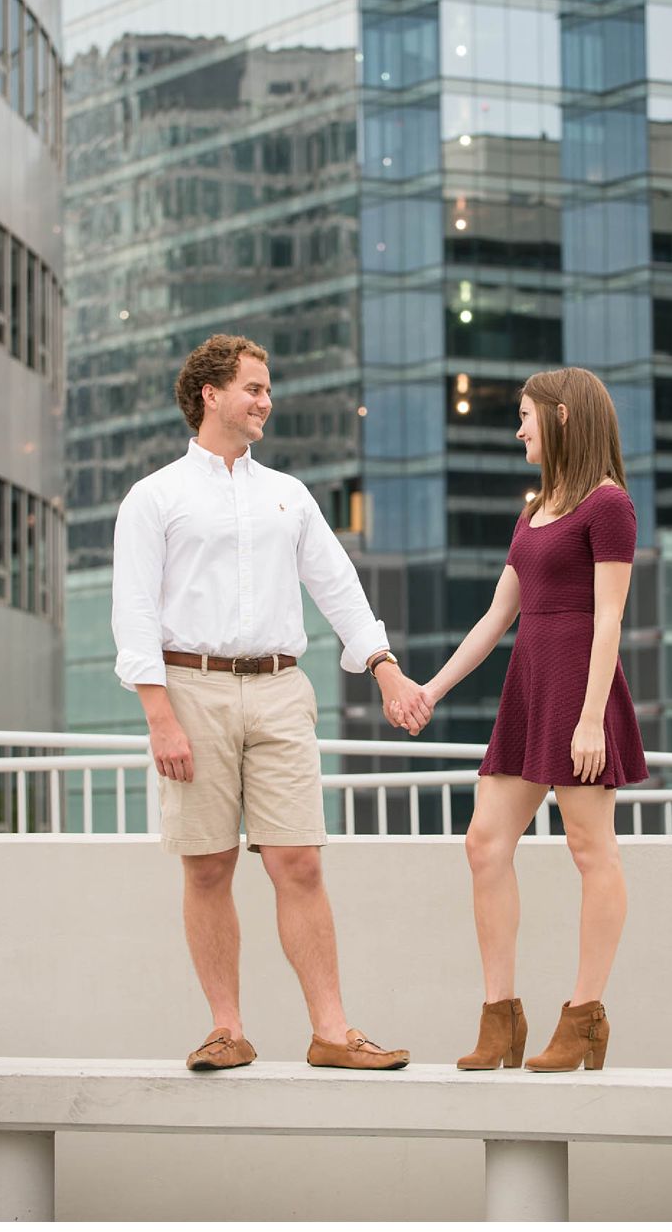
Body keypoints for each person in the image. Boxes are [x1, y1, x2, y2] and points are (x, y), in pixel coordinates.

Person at [112, 334, 428, 1075]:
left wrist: (384, 668)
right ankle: (227, 1029)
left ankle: (332, 1030)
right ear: (209, 394)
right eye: (253, 386)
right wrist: (160, 714)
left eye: (268, 387)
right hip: (191, 688)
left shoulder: (288, 493)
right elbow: (133, 612)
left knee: (300, 862)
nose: (266, 400)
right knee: (208, 865)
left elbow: (338, 586)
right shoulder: (155, 496)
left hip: (284, 688)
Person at [418, 366, 640, 1074]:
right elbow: (495, 618)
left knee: (589, 849)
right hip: (528, 690)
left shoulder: (609, 506)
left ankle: (583, 1015)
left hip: (581, 693)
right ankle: (500, 1018)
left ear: (564, 416)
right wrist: (432, 688)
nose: (518, 429)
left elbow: (608, 617)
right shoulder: (535, 509)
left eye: (525, 415)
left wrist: (589, 720)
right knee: (485, 842)